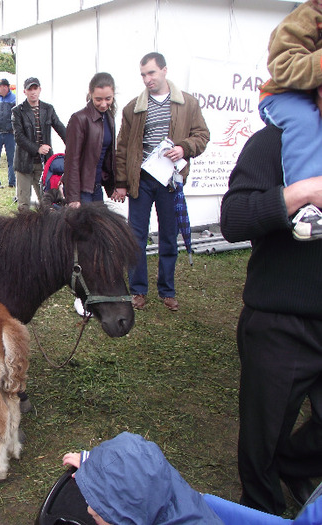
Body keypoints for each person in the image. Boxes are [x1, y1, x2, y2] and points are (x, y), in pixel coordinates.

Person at [221, 81, 322, 516]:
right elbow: (233, 218)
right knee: (263, 441)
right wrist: (299, 193)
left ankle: (297, 465)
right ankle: (262, 510)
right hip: (281, 323)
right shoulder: (273, 142)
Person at [115, 52, 210, 312]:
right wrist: (121, 181)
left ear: (164, 70)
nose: (147, 79)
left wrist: (184, 148)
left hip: (170, 181)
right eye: (143, 74)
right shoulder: (133, 107)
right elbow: (122, 147)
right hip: (141, 180)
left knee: (169, 235)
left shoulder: (187, 103)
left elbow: (202, 135)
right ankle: (138, 290)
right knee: (136, 236)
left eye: (151, 73)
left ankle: (167, 290)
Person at [61, 432, 322, 525]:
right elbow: (147, 468)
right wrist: (93, 463)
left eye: (98, 513)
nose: (88, 508)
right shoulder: (178, 500)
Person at [258, 0, 322, 241]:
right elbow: (282, 65)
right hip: (286, 96)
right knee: (305, 122)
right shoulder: (306, 17)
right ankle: (306, 206)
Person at [62, 432, 223, 524]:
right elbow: (134, 459)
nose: (89, 510)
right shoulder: (166, 484)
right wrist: (95, 464)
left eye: (101, 511)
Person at [12, 77, 67, 212]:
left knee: (47, 202)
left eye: (35, 88)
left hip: (45, 163)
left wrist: (73, 145)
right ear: (24, 91)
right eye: (29, 89)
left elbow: (60, 128)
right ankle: (24, 232)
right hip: (24, 163)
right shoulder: (17, 111)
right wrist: (37, 148)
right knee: (24, 204)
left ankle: (45, 231)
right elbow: (19, 137)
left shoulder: (48, 109)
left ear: (40, 89)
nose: (33, 92)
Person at [64, 72, 118, 206]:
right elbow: (72, 160)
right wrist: (74, 197)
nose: (104, 104)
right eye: (98, 99)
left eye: (108, 99)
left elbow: (108, 157)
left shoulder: (109, 117)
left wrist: (113, 186)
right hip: (82, 190)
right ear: (90, 94)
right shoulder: (79, 118)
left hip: (97, 186)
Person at [0, 78, 16, 188]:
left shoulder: (15, 99)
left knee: (12, 159)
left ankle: (12, 182)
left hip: (10, 133)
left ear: (5, 87)